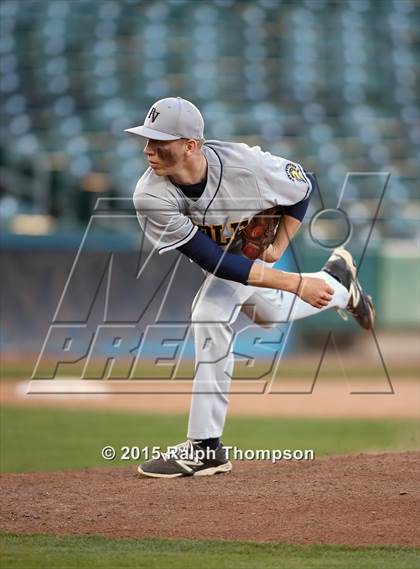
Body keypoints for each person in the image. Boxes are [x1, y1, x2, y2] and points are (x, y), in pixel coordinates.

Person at [126, 97, 375, 478]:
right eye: (146, 138)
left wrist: (279, 246)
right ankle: (339, 285)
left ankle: (205, 446)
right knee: (270, 313)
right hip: (232, 256)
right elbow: (216, 261)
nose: (148, 149)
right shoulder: (151, 195)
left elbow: (305, 185)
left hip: (249, 250)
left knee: (209, 312)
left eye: (160, 141)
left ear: (191, 145)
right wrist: (296, 283)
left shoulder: (247, 165)